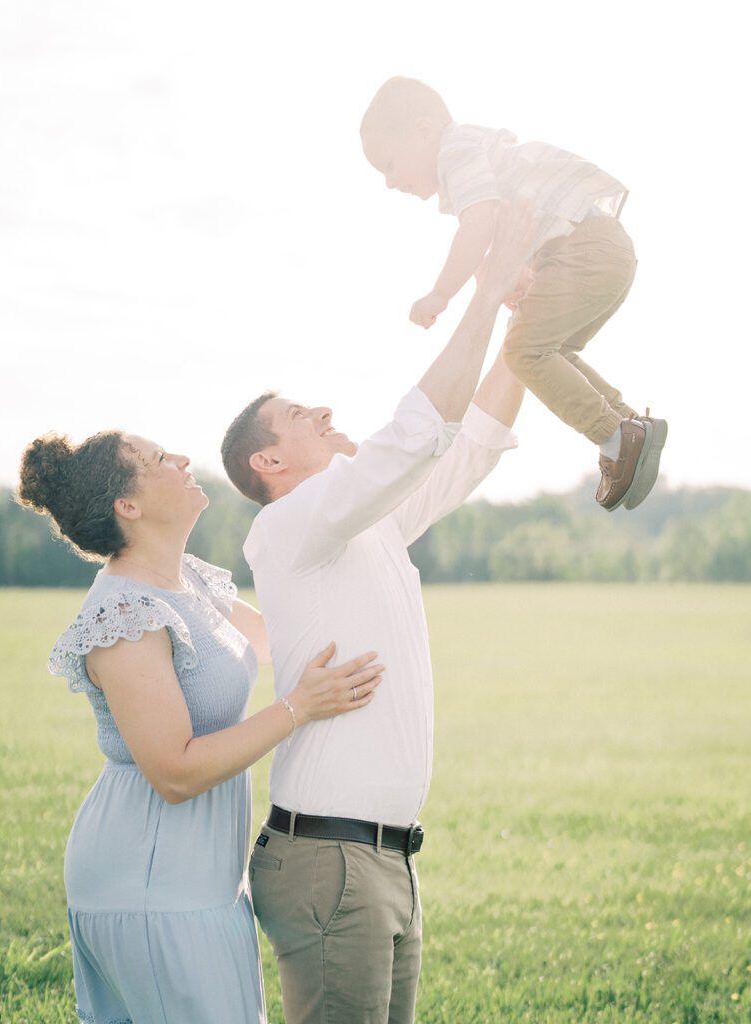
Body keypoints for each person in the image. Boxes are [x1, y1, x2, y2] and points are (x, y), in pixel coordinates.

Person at [220, 229, 530, 1024]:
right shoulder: (290, 529)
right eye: (297, 414)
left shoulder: (368, 529)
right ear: (270, 464)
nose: (323, 409)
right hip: (331, 861)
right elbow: (412, 436)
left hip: (383, 858)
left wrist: (528, 330)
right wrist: (484, 293)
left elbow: (469, 449)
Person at [17, 429, 383, 1024]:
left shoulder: (183, 581)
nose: (182, 459)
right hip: (149, 881)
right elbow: (176, 771)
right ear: (127, 506)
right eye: (158, 459)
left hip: (204, 880)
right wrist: (297, 709)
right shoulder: (125, 616)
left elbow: (284, 641)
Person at [360, 75, 668, 513]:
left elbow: (479, 225)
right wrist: (516, 271)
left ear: (424, 131)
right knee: (550, 350)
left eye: (389, 164)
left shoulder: (456, 151)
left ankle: (616, 437)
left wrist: (440, 293)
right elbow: (503, 224)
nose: (390, 182)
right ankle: (630, 426)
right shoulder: (480, 156)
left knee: (523, 351)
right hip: (603, 249)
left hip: (585, 250)